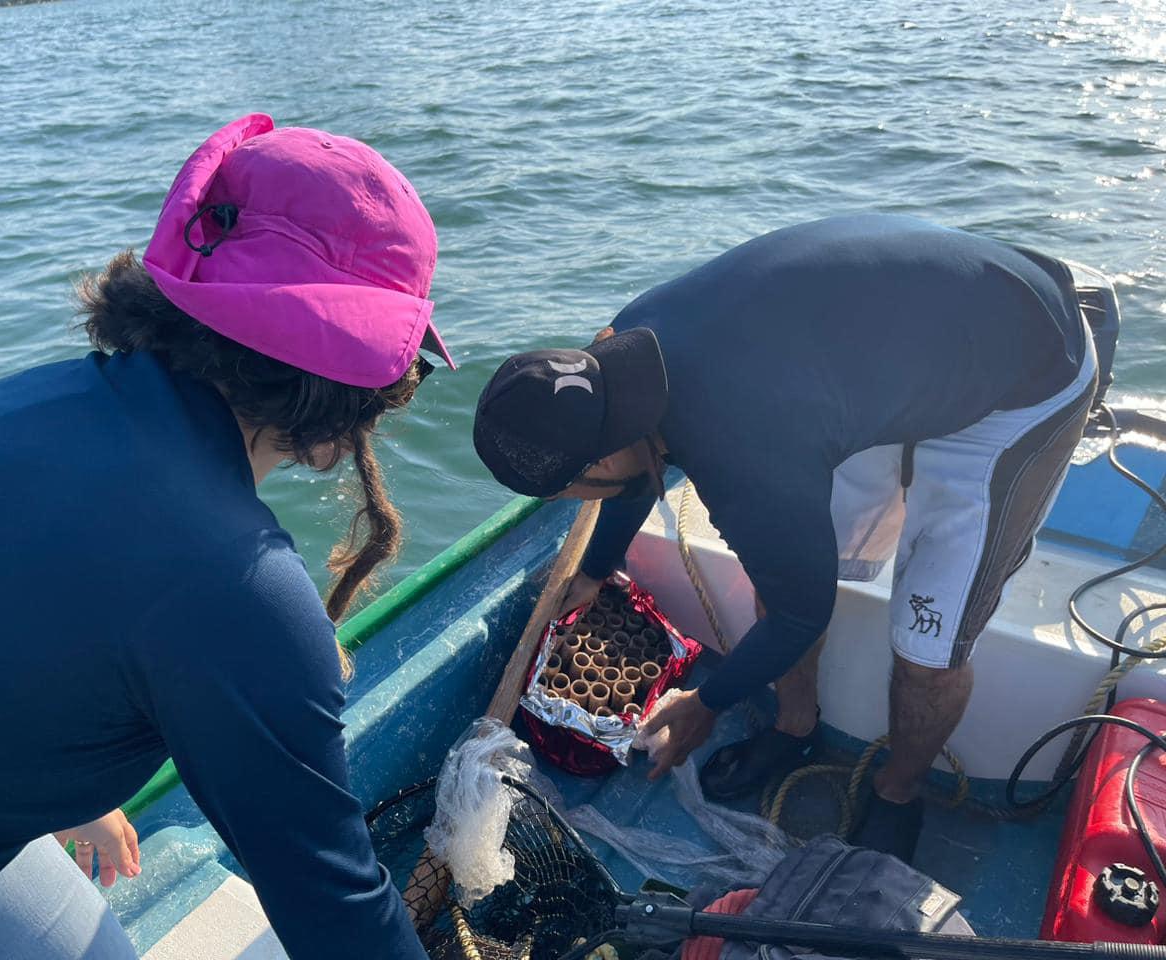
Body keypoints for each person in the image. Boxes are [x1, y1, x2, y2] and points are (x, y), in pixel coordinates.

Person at [0, 114, 453, 959]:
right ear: (351, 405)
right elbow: (338, 912)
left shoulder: (8, 407)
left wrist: (61, 781)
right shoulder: (235, 585)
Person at [472, 214, 1102, 861]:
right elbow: (637, 465)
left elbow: (804, 613)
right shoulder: (623, 352)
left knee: (928, 648)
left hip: (1025, 371)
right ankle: (795, 724)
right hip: (887, 356)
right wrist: (598, 566)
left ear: (597, 463)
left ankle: (897, 791)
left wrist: (706, 703)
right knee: (784, 568)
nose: (573, 502)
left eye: (567, 492)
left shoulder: (741, 450)